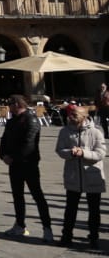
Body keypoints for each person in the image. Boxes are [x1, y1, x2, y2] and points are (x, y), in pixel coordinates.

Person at [0, 95, 53, 243]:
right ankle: (20, 224)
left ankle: (47, 228)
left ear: (16, 104)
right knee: (17, 195)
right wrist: (3, 155)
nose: (8, 108)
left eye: (10, 105)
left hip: (28, 163)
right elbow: (4, 139)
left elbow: (29, 143)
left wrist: (13, 157)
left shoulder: (31, 119)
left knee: (37, 195)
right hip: (14, 164)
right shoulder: (11, 121)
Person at [55, 104, 104, 249]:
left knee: (94, 209)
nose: (71, 117)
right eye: (71, 114)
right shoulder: (65, 131)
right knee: (70, 209)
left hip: (92, 174)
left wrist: (84, 153)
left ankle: (94, 236)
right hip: (73, 175)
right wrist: (70, 152)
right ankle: (66, 236)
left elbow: (101, 153)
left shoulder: (96, 132)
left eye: (75, 115)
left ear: (84, 116)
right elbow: (59, 149)